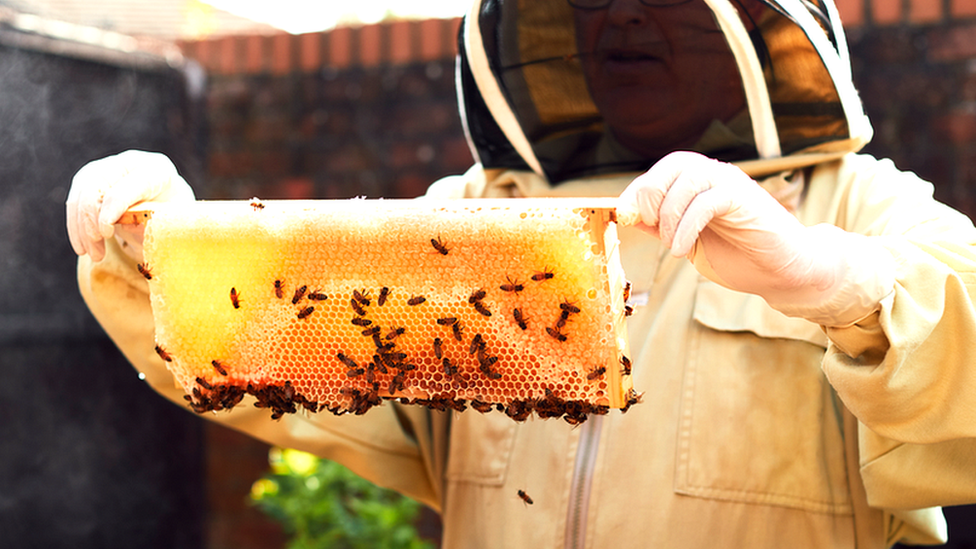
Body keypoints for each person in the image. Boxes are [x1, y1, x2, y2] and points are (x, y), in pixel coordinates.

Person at [66, 0, 976, 546]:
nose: (620, 15)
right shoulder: (476, 210)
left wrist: (836, 281)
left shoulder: (858, 203)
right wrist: (156, 248)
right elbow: (273, 354)